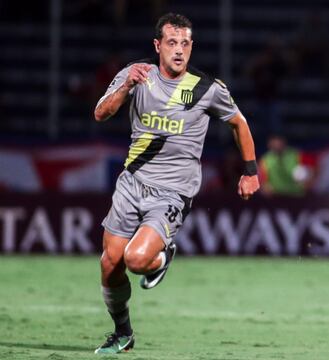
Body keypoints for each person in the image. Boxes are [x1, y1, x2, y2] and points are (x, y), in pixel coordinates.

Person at [92, 13, 260, 354]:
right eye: (171, 43)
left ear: (192, 46)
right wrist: (125, 86)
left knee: (136, 260)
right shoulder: (136, 75)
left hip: (173, 191)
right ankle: (122, 332)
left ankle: (161, 254)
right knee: (110, 263)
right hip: (132, 182)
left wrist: (250, 171)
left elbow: (239, 124)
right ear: (157, 46)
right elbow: (100, 113)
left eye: (185, 43)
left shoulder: (207, 88)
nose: (179, 51)